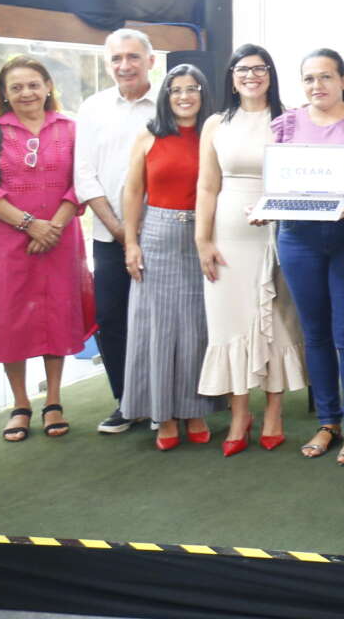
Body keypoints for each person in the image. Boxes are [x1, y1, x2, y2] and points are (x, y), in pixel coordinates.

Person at [0, 56, 93, 441]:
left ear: (48, 86)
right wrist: (29, 224)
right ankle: (20, 404)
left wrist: (53, 226)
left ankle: (53, 401)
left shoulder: (71, 128)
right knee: (9, 320)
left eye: (33, 84)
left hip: (59, 237)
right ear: (4, 94)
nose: (26, 93)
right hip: (5, 242)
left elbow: (82, 181)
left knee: (56, 315)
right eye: (16, 87)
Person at [195, 44, 307, 457]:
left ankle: (274, 413)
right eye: (242, 69)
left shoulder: (290, 119)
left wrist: (274, 207)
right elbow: (207, 186)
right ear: (231, 77)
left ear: (271, 75)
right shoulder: (215, 124)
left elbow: (300, 179)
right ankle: (240, 414)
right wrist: (203, 240)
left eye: (260, 68)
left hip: (278, 231)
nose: (251, 75)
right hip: (227, 234)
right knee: (231, 323)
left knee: (277, 320)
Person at [272, 50, 344, 465]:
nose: (318, 86)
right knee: (314, 333)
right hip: (298, 238)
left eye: (326, 77)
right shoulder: (287, 123)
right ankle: (328, 422)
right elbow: (276, 181)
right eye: (309, 78)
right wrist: (265, 206)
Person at [120, 66, 223, 449]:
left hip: (205, 236)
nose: (184, 96)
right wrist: (131, 243)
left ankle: (195, 410)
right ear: (166, 95)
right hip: (157, 236)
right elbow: (133, 192)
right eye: (176, 90)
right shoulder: (148, 135)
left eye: (192, 89)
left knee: (197, 327)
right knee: (159, 328)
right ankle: (162, 415)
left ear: (203, 93)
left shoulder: (215, 134)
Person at [73, 29, 157, 435]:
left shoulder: (170, 104)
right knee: (110, 318)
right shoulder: (93, 108)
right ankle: (127, 401)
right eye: (117, 59)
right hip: (110, 236)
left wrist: (141, 231)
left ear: (151, 61)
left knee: (161, 319)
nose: (125, 66)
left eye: (133, 57)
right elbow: (84, 175)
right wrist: (120, 230)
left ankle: (164, 400)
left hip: (162, 233)